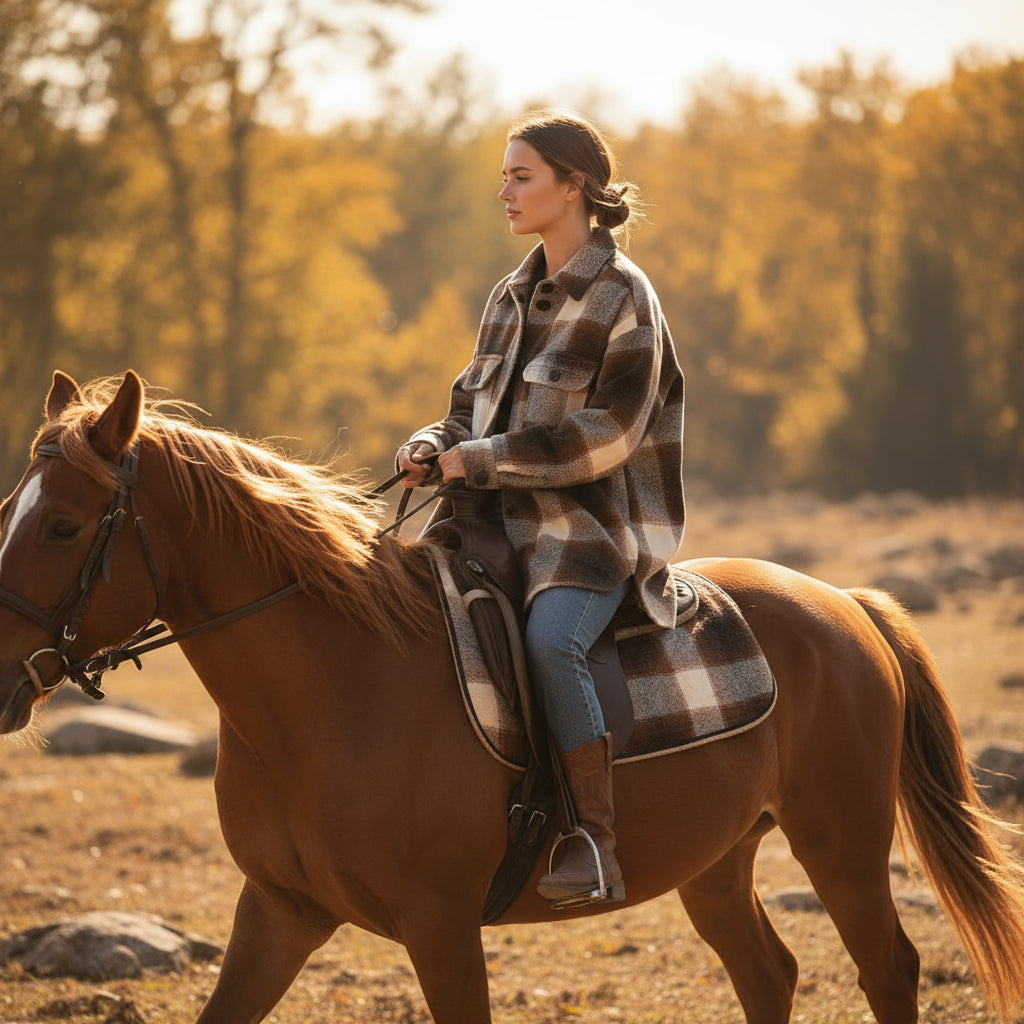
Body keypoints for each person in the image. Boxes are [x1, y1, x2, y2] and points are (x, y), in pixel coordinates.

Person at [397, 111, 685, 906]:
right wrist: (429, 444)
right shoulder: (508, 295)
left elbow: (610, 433)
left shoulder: (625, 296)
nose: (505, 192)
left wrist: (482, 459)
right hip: (478, 527)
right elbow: (467, 408)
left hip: (584, 538)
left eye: (521, 177)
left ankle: (594, 840)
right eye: (504, 177)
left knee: (553, 643)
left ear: (573, 186)